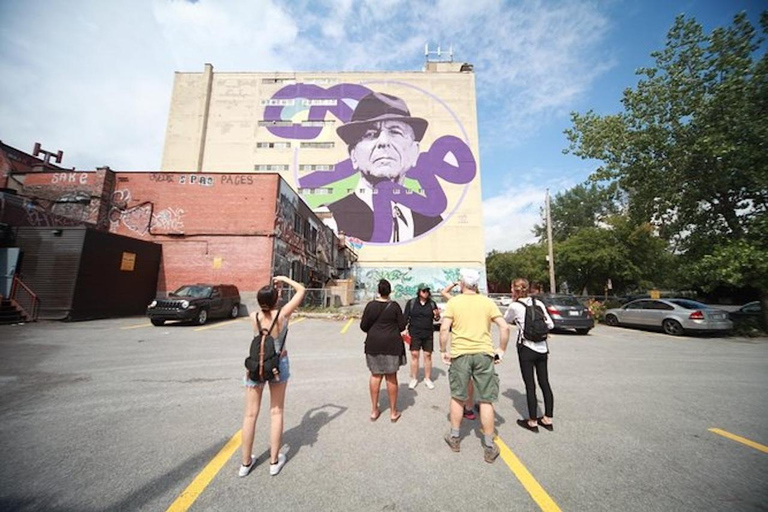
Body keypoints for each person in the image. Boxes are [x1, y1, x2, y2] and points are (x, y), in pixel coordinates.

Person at [326, 92, 442, 243]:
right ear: (353, 155)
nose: (383, 142)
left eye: (395, 132)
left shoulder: (434, 221)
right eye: (370, 134)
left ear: (414, 152)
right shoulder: (332, 216)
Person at [440, 269, 510, 463]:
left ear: (462, 283)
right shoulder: (487, 302)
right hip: (483, 354)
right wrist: (501, 350)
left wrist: (442, 350)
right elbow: (504, 327)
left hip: (460, 354)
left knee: (457, 396)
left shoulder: (454, 302)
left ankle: (455, 437)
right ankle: (489, 445)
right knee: (486, 400)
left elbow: (444, 328)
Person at [239, 275, 306, 478]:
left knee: (250, 415)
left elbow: (265, 312)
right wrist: (284, 279)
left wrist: (271, 295)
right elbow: (301, 290)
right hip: (279, 363)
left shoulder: (254, 317)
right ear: (277, 300)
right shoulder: (283, 315)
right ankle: (274, 461)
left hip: (256, 364)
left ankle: (245, 463)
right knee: (276, 412)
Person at [504, 278, 555, 433]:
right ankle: (547, 419)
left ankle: (532, 421)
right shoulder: (538, 303)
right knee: (544, 382)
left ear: (514, 289)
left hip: (526, 348)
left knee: (530, 385)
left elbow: (505, 320)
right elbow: (550, 324)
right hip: (542, 348)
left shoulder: (515, 306)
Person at [360, 279, 407, 422]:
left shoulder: (370, 306)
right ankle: (393, 412)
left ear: (378, 291)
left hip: (374, 343)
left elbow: (363, 326)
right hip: (392, 344)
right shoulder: (394, 306)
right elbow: (401, 326)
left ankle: (374, 410)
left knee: (375, 376)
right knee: (391, 377)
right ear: (390, 291)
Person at [441, 280, 476, 420]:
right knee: (472, 380)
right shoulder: (483, 302)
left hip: (462, 346)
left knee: (462, 381)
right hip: (479, 345)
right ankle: (469, 407)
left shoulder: (456, 301)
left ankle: (461, 411)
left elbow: (444, 292)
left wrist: (455, 283)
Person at [403, 284, 440, 390]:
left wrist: (437, 315)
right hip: (414, 332)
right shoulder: (411, 303)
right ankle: (414, 378)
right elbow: (405, 317)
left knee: (427, 355)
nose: (426, 293)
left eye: (427, 291)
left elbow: (437, 318)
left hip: (428, 333)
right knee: (414, 354)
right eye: (424, 291)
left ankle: (427, 378)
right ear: (419, 292)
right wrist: (403, 329)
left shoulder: (432, 304)